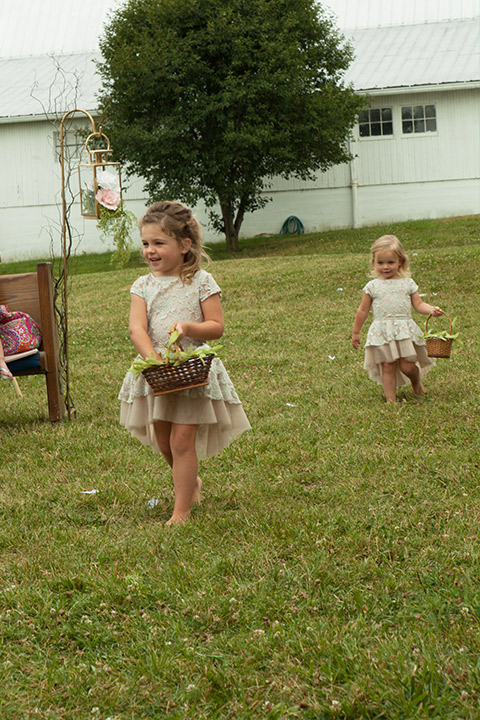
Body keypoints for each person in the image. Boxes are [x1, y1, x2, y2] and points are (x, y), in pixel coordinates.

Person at [118, 201, 251, 524]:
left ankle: (182, 511)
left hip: (194, 370)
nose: (150, 250)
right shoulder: (143, 285)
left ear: (185, 245)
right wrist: (153, 359)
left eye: (159, 243)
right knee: (164, 440)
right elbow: (137, 328)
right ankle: (191, 481)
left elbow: (216, 326)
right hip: (157, 371)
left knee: (181, 440)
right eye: (146, 243)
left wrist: (189, 327)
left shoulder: (202, 281)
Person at [352, 234, 443, 403]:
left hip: (403, 330)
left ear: (400, 261)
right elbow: (363, 311)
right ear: (374, 262)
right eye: (381, 263)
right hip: (382, 331)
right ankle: (391, 400)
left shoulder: (407, 283)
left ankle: (416, 382)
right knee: (387, 365)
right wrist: (356, 332)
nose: (385, 267)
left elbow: (419, 304)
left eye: (390, 262)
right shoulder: (372, 287)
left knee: (407, 366)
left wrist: (432, 310)